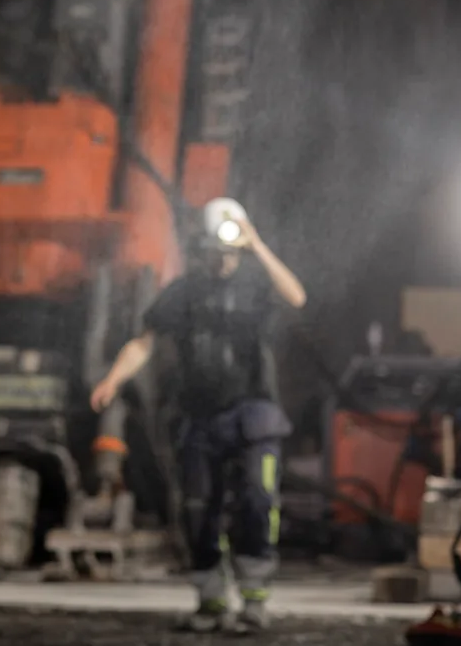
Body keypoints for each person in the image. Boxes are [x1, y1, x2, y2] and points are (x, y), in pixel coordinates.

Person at [90, 198, 306, 635]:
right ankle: (209, 601)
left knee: (256, 501)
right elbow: (144, 342)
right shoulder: (183, 292)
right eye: (214, 250)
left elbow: (296, 296)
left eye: (229, 250)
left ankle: (253, 601)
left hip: (254, 414)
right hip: (200, 418)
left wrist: (257, 244)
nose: (222, 259)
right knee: (198, 508)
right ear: (201, 249)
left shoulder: (255, 286)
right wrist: (114, 377)